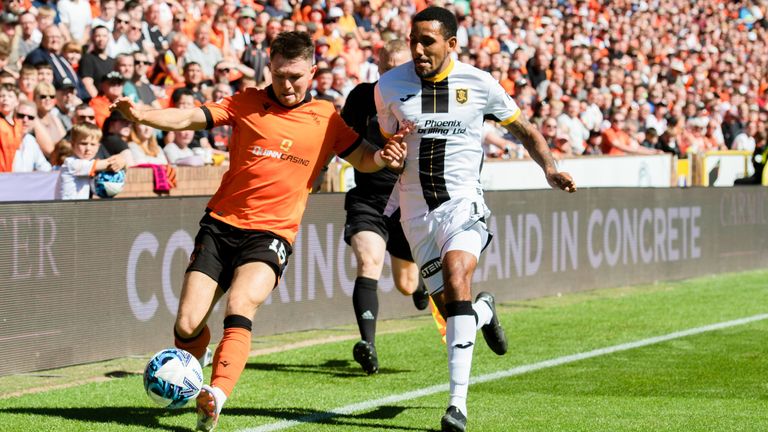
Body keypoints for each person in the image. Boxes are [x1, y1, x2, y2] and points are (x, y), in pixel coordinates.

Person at [109, 31, 408, 432]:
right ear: (270, 68)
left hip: (271, 234)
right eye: (281, 75)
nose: (288, 85)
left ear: (313, 72)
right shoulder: (246, 101)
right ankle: (193, 373)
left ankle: (215, 396)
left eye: (297, 77)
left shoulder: (326, 118)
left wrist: (382, 155)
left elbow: (363, 160)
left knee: (240, 306)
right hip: (219, 226)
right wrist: (142, 115)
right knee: (186, 325)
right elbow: (188, 117)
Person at [374, 7, 576, 432]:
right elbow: (392, 146)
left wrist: (550, 169)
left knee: (456, 273)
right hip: (416, 212)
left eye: (427, 41)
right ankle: (485, 311)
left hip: (463, 203)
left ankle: (456, 406)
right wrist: (390, 157)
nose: (418, 49)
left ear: (451, 44)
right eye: (413, 40)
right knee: (453, 311)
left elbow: (524, 129)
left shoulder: (479, 83)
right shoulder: (389, 86)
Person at [341, 39, 431, 375]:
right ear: (378, 69)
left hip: (407, 199)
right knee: (369, 261)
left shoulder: (426, 99)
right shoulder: (362, 97)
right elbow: (340, 140)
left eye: (400, 68)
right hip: (368, 198)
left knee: (407, 285)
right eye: (386, 68)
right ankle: (368, 344)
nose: (392, 75)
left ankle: (421, 283)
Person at [59, 122, 124, 199]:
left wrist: (121, 162)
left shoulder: (89, 163)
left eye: (93, 144)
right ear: (73, 145)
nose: (88, 149)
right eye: (83, 144)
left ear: (98, 147)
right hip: (66, 208)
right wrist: (121, 160)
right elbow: (106, 164)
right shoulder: (71, 163)